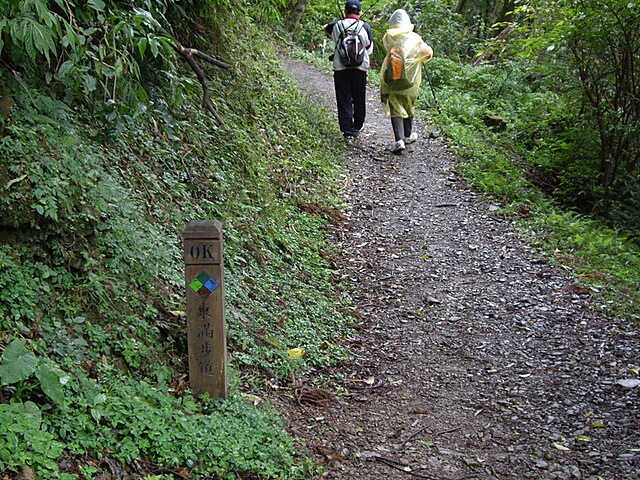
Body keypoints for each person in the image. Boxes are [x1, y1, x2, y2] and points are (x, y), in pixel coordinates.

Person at [380, 9, 433, 153]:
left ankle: (399, 140)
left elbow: (387, 48)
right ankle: (408, 135)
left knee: (394, 105)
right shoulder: (415, 38)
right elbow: (427, 53)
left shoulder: (388, 37)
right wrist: (418, 59)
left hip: (391, 77)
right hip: (411, 79)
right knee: (409, 104)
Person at [324, 0, 373, 143]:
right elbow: (369, 49)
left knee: (344, 98)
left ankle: (347, 132)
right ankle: (358, 126)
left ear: (345, 11)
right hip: (360, 68)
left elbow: (327, 30)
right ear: (359, 12)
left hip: (341, 67)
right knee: (359, 97)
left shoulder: (337, 25)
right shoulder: (365, 26)